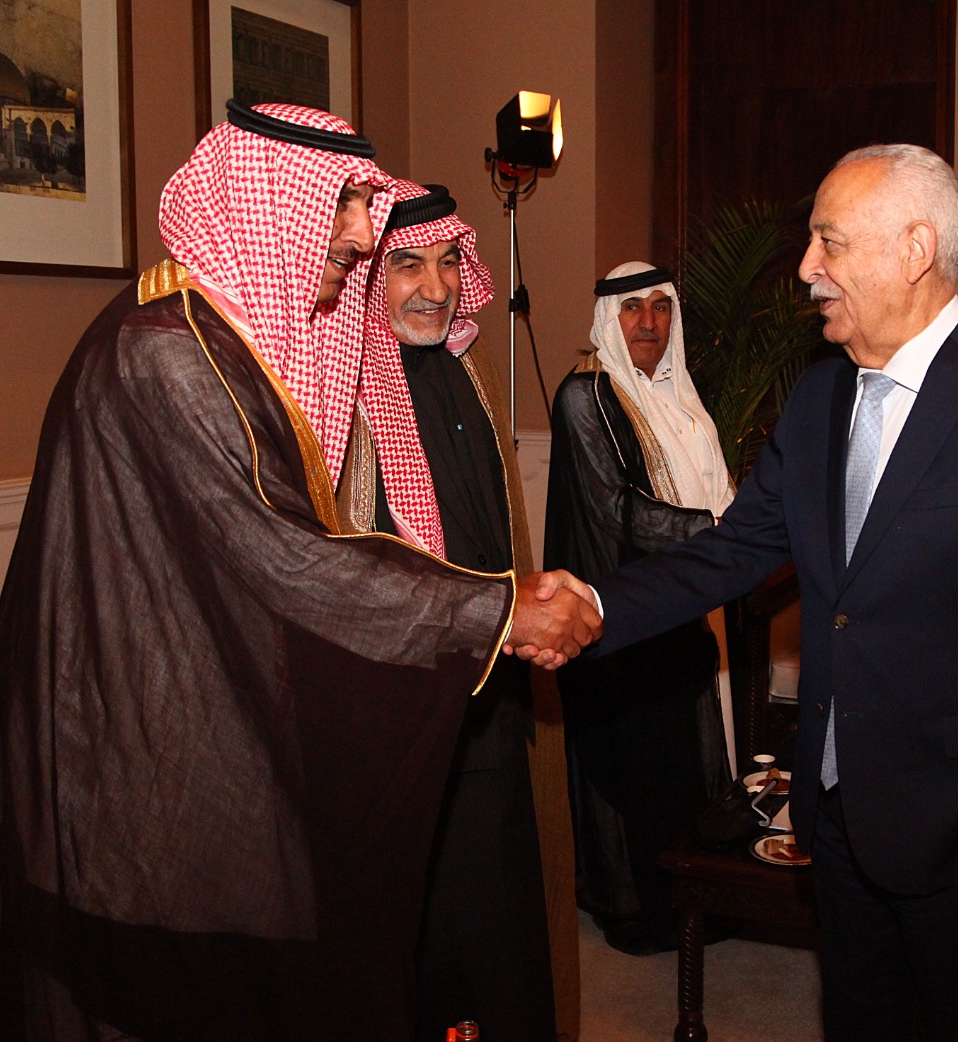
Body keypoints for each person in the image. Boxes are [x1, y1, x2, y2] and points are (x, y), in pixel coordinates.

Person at [0, 102, 598, 1042]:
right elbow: (288, 557)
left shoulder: (212, 341)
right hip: (137, 745)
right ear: (262, 203)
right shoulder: (168, 356)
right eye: (344, 203)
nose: (362, 233)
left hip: (190, 715)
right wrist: (498, 614)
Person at [548, 144, 958, 1041]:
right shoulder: (819, 398)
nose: (808, 268)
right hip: (835, 815)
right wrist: (595, 605)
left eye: (829, 242)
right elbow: (736, 550)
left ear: (915, 249)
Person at [360, 179, 558, 1041]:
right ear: (371, 276)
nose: (436, 288)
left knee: (500, 905)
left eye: (448, 263)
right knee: (426, 925)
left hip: (493, 688)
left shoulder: (467, 371)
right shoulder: (347, 391)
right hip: (408, 703)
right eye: (408, 265)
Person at [544, 262, 735, 955]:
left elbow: (713, 485)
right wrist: (719, 534)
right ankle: (637, 906)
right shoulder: (585, 395)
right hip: (618, 615)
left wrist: (732, 531)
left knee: (681, 756)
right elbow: (616, 510)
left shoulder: (680, 395)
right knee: (634, 761)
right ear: (608, 319)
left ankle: (695, 897)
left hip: (680, 601)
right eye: (632, 308)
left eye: (660, 307)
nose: (648, 321)